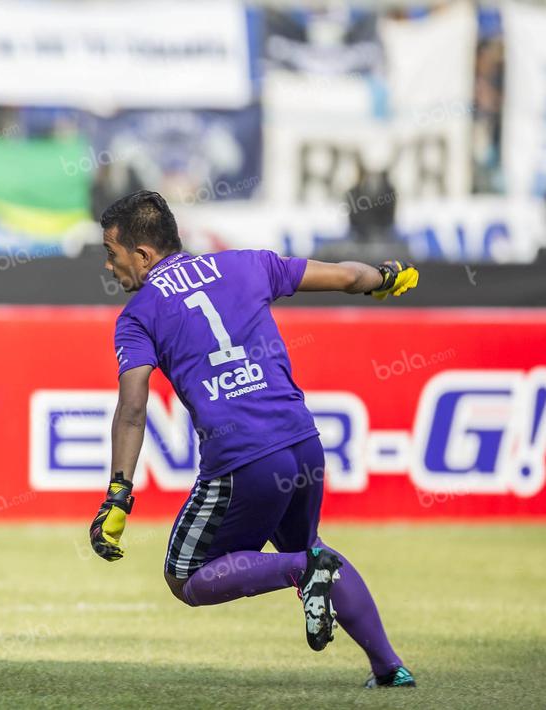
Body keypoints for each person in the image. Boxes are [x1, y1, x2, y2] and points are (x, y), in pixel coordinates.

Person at [89, 190, 419, 689]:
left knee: (186, 576)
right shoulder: (248, 263)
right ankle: (389, 668)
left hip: (243, 458)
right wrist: (385, 278)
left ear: (143, 255)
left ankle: (300, 571)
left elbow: (133, 410)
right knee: (308, 545)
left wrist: (118, 495)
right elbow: (349, 277)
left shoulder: (138, 316)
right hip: (303, 441)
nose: (111, 269)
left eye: (113, 256)